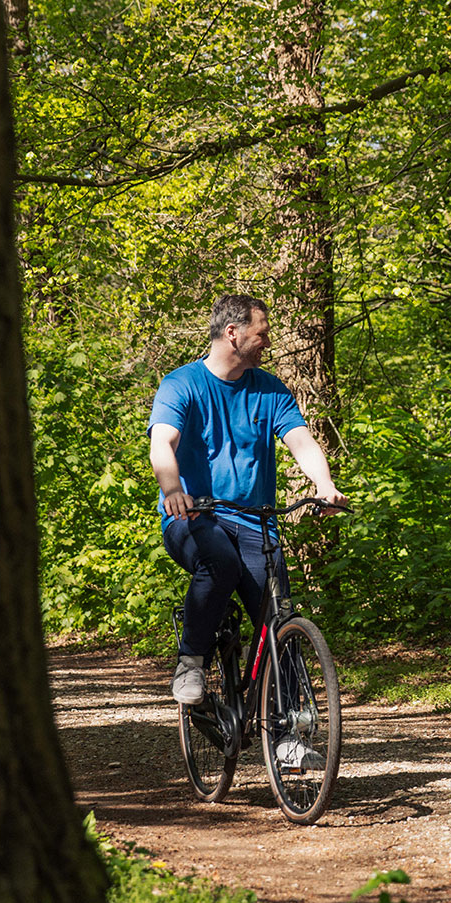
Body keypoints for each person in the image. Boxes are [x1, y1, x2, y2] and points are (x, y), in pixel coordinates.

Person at [148, 293, 346, 708]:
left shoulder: (269, 389)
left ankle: (288, 724)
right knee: (220, 563)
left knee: (277, 616)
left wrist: (324, 484)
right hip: (194, 517)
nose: (267, 343)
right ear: (232, 333)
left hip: (256, 523)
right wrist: (173, 491)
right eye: (262, 334)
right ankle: (191, 662)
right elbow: (162, 443)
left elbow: (300, 441)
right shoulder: (182, 384)